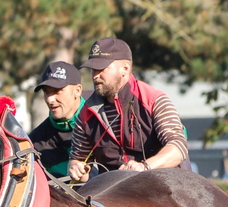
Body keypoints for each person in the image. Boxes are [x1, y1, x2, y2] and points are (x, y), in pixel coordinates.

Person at [68, 37, 189, 183]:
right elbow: (78, 159)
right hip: (112, 193)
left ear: (125, 68)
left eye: (101, 69)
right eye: (93, 70)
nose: (95, 75)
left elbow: (178, 148)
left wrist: (144, 167)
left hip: (164, 186)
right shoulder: (86, 113)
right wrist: (76, 169)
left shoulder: (154, 100)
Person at [28, 61, 87, 176]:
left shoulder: (103, 116)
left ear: (77, 90)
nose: (49, 100)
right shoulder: (36, 142)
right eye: (46, 92)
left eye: (57, 91)